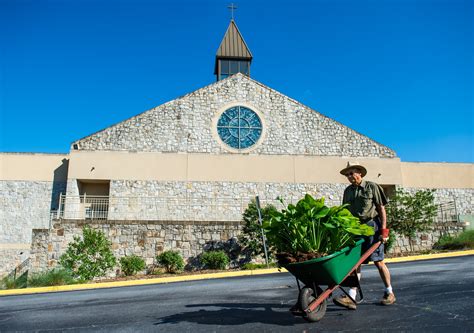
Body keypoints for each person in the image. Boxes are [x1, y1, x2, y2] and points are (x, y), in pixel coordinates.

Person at [333, 162, 396, 310]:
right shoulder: (347, 191)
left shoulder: (371, 186)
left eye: (352, 173)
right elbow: (345, 212)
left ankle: (389, 292)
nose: (349, 177)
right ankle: (351, 297)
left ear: (360, 173)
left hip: (372, 227)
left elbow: (381, 209)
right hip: (355, 229)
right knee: (356, 263)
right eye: (347, 175)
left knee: (378, 261)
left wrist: (384, 230)